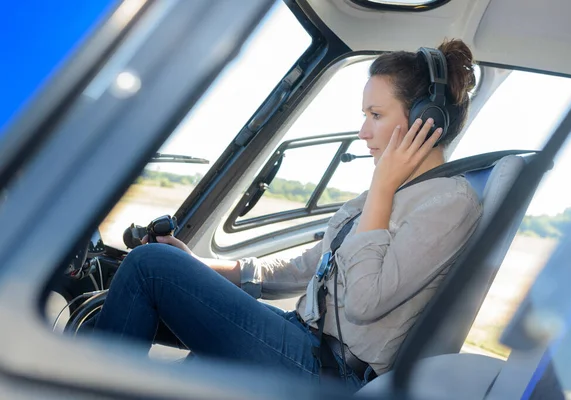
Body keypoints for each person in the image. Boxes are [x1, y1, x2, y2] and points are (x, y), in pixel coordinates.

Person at [88, 39, 482, 391]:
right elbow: (308, 267)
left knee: (149, 265)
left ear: (425, 120)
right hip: (300, 342)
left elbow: (365, 302)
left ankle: (75, 383)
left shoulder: (448, 202)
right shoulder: (388, 193)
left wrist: (381, 188)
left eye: (375, 115)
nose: (363, 131)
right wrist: (199, 264)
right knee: (167, 270)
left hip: (326, 375)